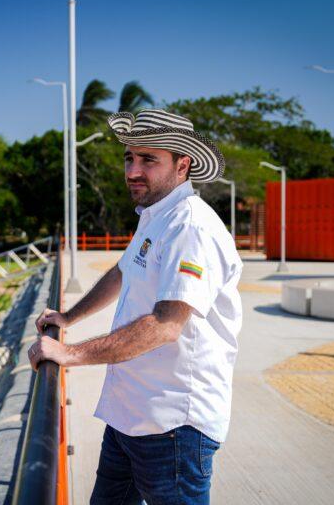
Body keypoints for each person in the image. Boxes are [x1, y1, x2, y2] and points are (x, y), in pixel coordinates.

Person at [27, 109, 243, 505]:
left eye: (148, 159)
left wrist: (69, 353)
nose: (132, 171)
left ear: (183, 164)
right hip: (129, 415)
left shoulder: (190, 227)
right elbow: (123, 272)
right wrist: (68, 317)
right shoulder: (155, 216)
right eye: (129, 157)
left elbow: (166, 325)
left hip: (173, 425)